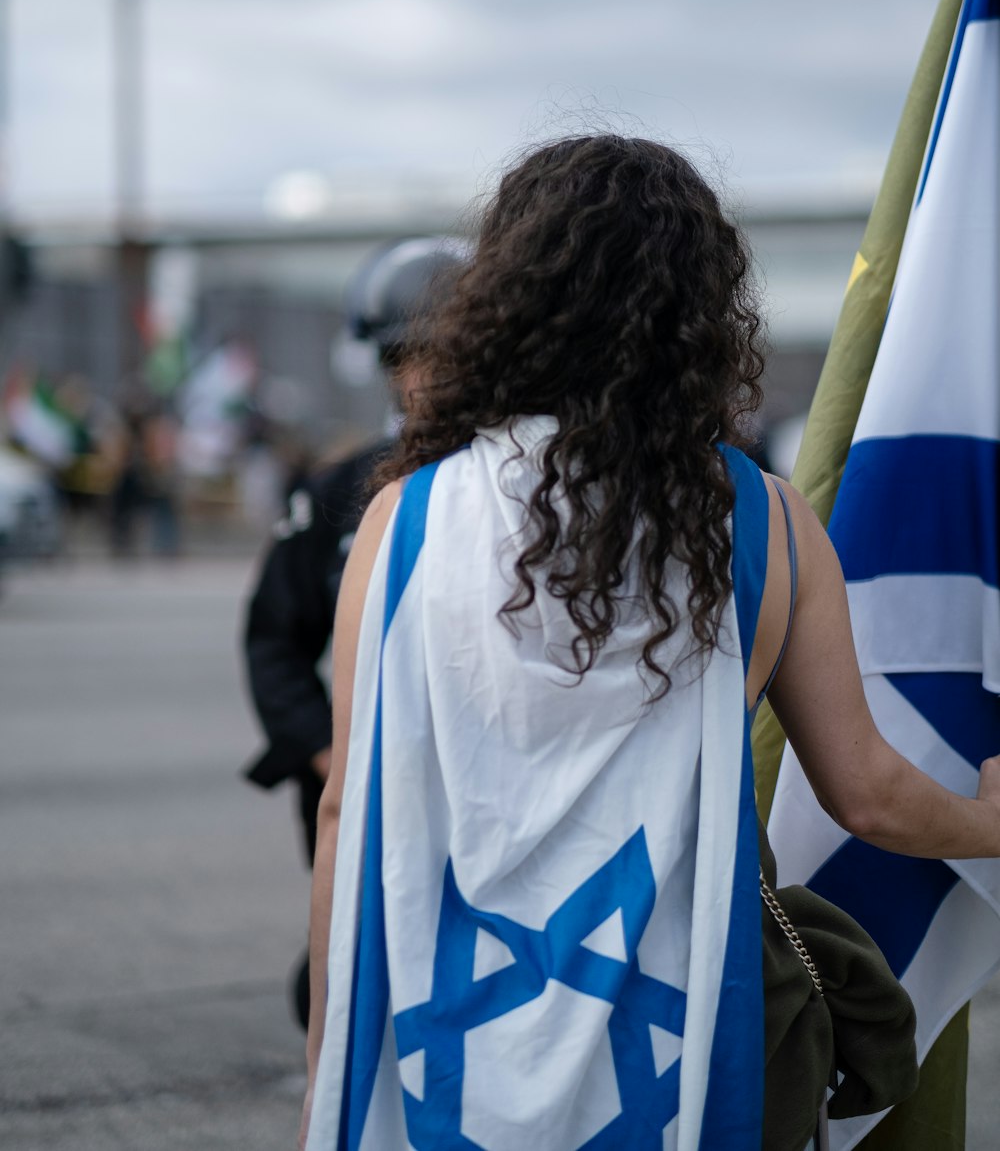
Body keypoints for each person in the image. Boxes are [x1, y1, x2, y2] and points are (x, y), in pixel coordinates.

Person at [298, 135, 1000, 1151]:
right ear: (702, 315)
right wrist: (990, 822)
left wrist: (331, 1059)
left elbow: (342, 815)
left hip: (444, 1036)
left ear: (503, 297)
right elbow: (866, 792)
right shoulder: (764, 524)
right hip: (693, 1045)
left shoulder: (404, 522)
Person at [241, 237, 466, 1027]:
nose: (417, 379)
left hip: (486, 800)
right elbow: (272, 638)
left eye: (439, 353)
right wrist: (329, 751)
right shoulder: (339, 490)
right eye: (400, 357)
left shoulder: (529, 489)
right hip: (357, 795)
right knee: (338, 987)